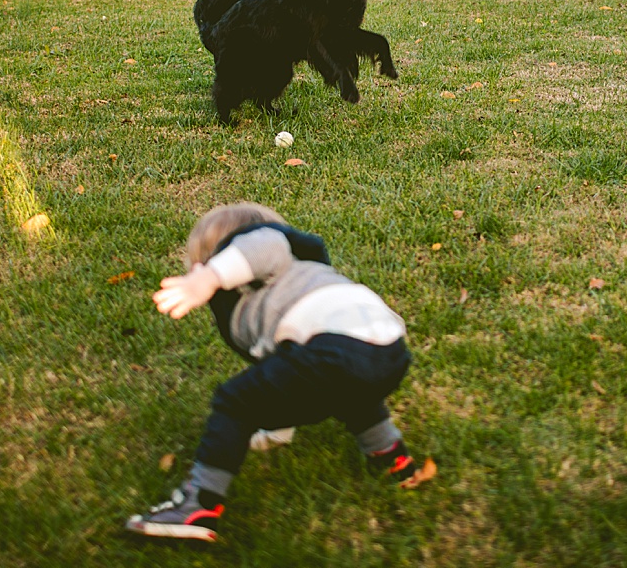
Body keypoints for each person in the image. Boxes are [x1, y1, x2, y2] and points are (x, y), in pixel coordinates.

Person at [125, 202, 433, 542]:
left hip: (338, 345)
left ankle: (198, 506)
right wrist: (275, 430)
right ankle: (391, 457)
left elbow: (262, 244)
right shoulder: (296, 285)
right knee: (349, 389)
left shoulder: (267, 253)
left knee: (235, 402)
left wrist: (207, 279)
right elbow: (282, 376)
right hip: (388, 347)